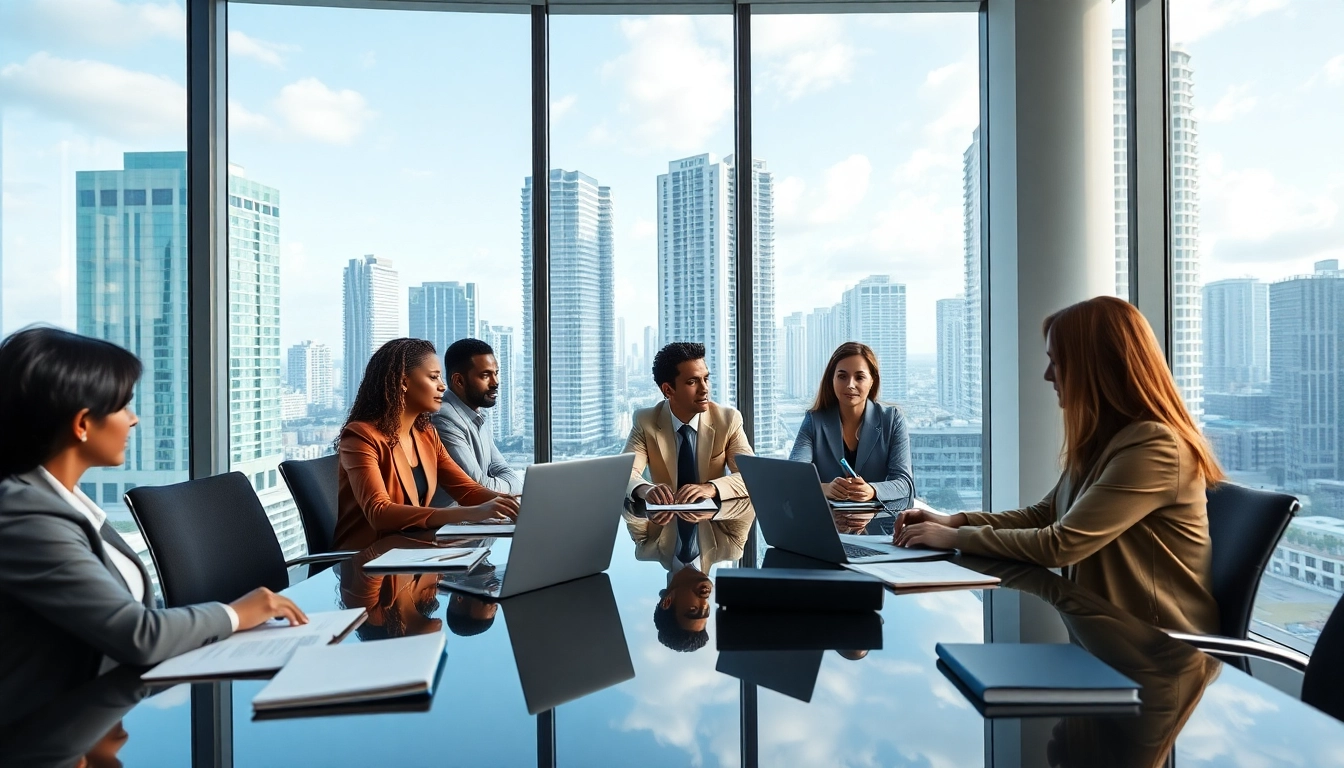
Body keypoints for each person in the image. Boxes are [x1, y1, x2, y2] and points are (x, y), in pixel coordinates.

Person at [0, 327, 307, 727]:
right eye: (124, 406)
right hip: (42, 733)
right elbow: (138, 634)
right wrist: (236, 614)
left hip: (101, 715)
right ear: (82, 424)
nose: (134, 419)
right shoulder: (25, 515)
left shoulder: (66, 501)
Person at [893, 296, 1224, 633]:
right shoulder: (1107, 440)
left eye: (1058, 362)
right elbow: (1043, 515)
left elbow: (1059, 545)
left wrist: (952, 537)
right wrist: (953, 520)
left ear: (1096, 365)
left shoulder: (1156, 448)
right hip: (1105, 641)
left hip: (1156, 657)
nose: (1048, 375)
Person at [335, 338, 519, 550]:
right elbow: (380, 512)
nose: (442, 385)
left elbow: (467, 490)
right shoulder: (361, 436)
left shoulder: (426, 435)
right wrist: (473, 512)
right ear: (404, 382)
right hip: (367, 560)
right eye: (433, 377)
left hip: (413, 552)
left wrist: (516, 506)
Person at [624, 342, 753, 505]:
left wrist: (710, 487)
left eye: (706, 379)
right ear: (668, 390)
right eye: (692, 382)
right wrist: (645, 489)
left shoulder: (728, 420)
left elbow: (750, 476)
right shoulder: (646, 421)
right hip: (662, 523)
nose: (704, 388)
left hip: (714, 523)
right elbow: (625, 473)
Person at [790, 342, 914, 509]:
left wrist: (872, 490)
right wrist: (824, 488)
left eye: (859, 377)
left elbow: (904, 483)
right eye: (842, 376)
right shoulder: (814, 420)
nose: (850, 384)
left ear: (872, 381)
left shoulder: (892, 420)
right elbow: (794, 476)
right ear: (831, 380)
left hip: (877, 525)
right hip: (827, 524)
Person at [430, 338, 523, 499]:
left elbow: (507, 473)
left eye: (496, 373)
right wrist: (509, 487)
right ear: (459, 380)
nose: (496, 382)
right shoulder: (443, 418)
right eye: (485, 375)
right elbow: (479, 487)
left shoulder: (476, 415)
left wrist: (507, 486)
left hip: (477, 516)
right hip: (450, 521)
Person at [653, 566, 714, 653]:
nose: (705, 602)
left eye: (693, 609)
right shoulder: (732, 554)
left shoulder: (645, 553)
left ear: (668, 601)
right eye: (706, 610)